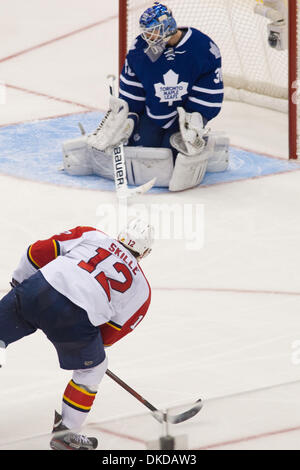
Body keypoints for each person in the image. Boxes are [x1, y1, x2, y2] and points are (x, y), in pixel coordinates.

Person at [0, 218, 154, 450]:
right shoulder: (142, 289)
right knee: (93, 368)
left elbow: (37, 252)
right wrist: (80, 343)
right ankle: (67, 435)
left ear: (120, 235)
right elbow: (110, 335)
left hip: (37, 289)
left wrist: (20, 285)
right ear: (145, 252)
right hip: (74, 321)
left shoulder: (92, 235)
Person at [62, 2, 229, 191]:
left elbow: (209, 90)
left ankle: (204, 143)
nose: (147, 37)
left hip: (183, 119)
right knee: (143, 152)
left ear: (167, 27)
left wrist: (196, 119)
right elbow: (132, 90)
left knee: (173, 155)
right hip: (153, 115)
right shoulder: (139, 49)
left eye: (152, 31)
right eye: (145, 32)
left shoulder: (202, 47)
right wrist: (128, 118)